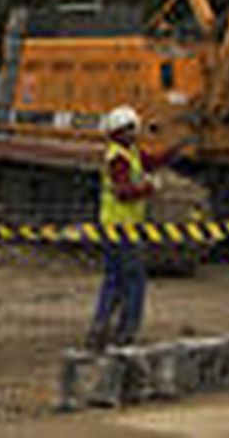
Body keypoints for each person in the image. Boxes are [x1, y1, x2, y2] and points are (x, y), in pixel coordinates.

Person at [88, 105, 167, 351]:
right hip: (122, 228)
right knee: (132, 279)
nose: (136, 132)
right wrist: (149, 189)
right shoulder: (118, 157)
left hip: (118, 226)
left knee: (115, 278)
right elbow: (123, 192)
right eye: (131, 128)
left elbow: (150, 161)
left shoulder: (129, 152)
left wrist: (175, 151)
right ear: (120, 131)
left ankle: (101, 328)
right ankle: (126, 330)